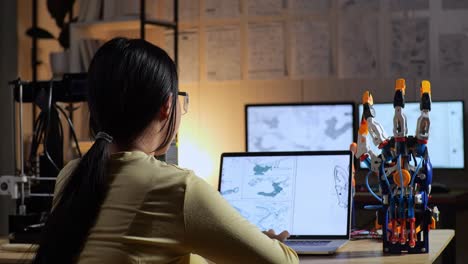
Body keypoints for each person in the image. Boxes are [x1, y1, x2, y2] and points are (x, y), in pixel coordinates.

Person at [32, 37, 299, 264]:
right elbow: (282, 262)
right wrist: (265, 244)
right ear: (167, 106)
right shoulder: (179, 188)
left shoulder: (71, 174)